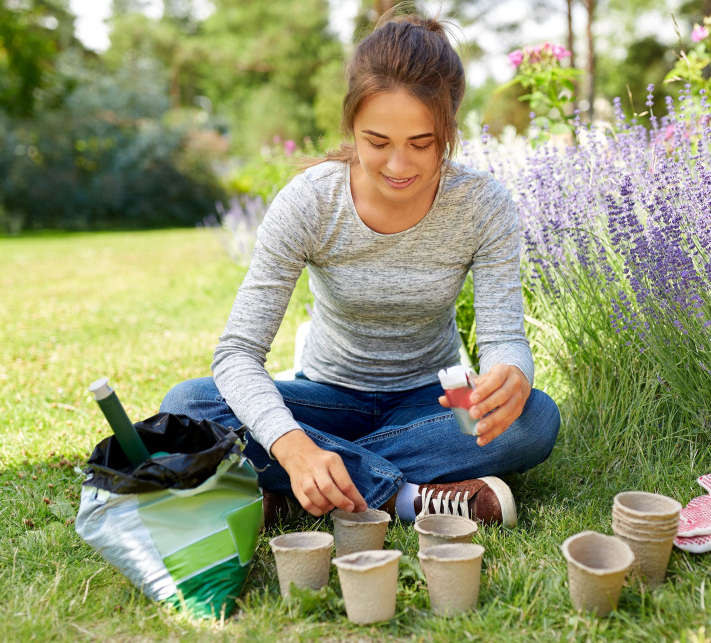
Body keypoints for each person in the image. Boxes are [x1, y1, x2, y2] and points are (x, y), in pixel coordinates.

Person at [159, 13, 560, 528]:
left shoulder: (483, 205)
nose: (398, 166)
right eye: (377, 142)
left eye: (421, 143)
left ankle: (297, 486)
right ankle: (405, 497)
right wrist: (294, 444)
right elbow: (237, 353)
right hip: (328, 396)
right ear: (351, 124)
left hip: (432, 399)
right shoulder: (310, 203)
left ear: (451, 127)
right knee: (188, 404)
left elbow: (505, 338)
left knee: (535, 419)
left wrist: (512, 375)